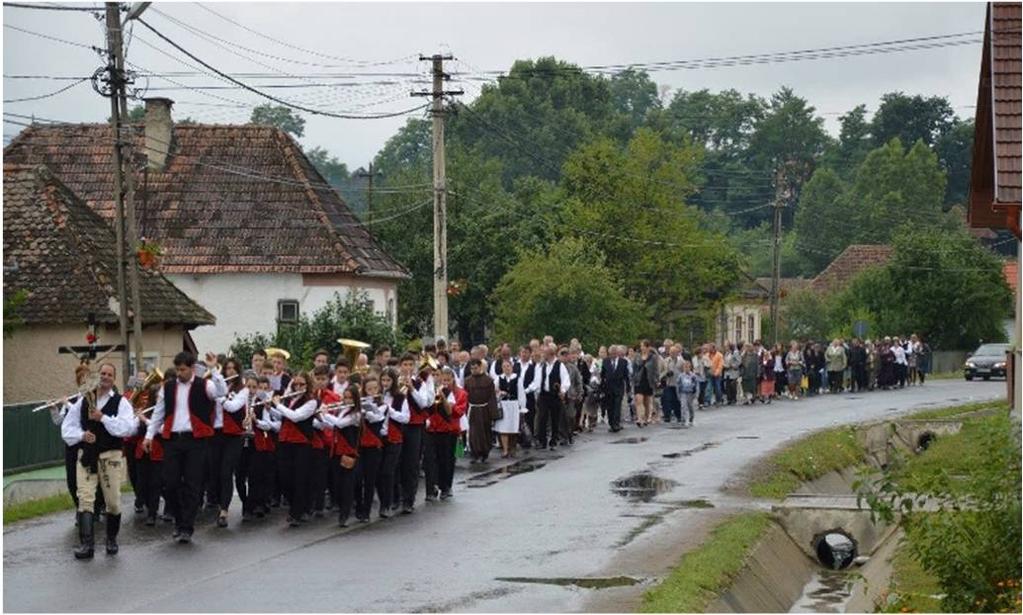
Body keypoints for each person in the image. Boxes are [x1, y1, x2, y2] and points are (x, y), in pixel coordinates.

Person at [144, 352, 226, 544]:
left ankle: (186, 527)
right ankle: (180, 521)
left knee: (192, 484)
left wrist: (213, 369)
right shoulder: (168, 387)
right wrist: (149, 435)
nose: (179, 373)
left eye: (183, 369)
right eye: (178, 369)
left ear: (191, 368)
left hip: (196, 440)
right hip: (172, 439)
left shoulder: (205, 385)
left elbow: (222, 392)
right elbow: (158, 413)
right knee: (169, 482)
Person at [62, 362, 138, 559]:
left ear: (114, 379)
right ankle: (87, 545)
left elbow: (127, 428)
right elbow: (67, 428)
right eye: (102, 373)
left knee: (112, 502)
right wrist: (81, 435)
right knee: (85, 499)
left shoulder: (121, 402)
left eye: (109, 375)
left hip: (110, 456)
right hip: (87, 455)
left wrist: (103, 418)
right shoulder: (83, 400)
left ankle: (111, 539)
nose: (105, 377)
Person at [270, 370, 318, 527]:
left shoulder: (312, 402)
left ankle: (296, 512)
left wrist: (278, 404)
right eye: (295, 384)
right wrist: (270, 407)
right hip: (285, 441)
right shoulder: (288, 400)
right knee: (285, 477)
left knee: (299, 478)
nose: (298, 387)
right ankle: (298, 507)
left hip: (301, 443)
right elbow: (282, 417)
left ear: (308, 385)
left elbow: (296, 416)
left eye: (301, 384)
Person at [211, 358, 247, 528]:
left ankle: (224, 510)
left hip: (233, 434)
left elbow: (234, 407)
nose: (230, 371)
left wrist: (221, 399)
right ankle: (219, 504)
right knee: (216, 471)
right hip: (216, 431)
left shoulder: (243, 389)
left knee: (226, 471)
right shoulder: (217, 385)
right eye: (227, 369)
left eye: (233, 368)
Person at [320, 383, 362, 527]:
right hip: (337, 450)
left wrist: (325, 413)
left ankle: (344, 515)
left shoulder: (356, 414)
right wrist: (321, 416)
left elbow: (341, 424)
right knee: (338, 483)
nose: (346, 401)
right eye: (345, 397)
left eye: (350, 398)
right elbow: (334, 426)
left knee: (347, 485)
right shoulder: (343, 410)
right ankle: (358, 508)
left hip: (349, 451)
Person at [397, 354, 434, 514]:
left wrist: (411, 389)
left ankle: (409, 500)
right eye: (404, 364)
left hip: (414, 426)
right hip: (397, 425)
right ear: (400, 366)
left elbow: (424, 403)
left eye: (410, 364)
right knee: (398, 462)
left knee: (411, 463)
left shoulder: (420, 383)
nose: (407, 368)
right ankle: (396, 497)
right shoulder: (394, 382)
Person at [425, 368, 466, 500]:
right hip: (432, 428)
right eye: (442, 379)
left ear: (453, 379)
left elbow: (457, 412)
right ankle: (432, 487)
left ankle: (446, 487)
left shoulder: (460, 393)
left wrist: (444, 399)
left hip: (450, 429)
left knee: (447, 460)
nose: (445, 382)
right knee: (431, 460)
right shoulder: (431, 390)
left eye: (448, 380)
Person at [353, 376, 387, 523]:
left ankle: (366, 511)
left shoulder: (383, 405)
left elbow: (376, 418)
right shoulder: (358, 404)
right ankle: (358, 507)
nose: (373, 392)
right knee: (357, 477)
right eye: (369, 389)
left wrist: (366, 410)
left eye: (375, 389)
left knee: (370, 479)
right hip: (359, 446)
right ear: (364, 391)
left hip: (374, 447)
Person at [376, 368, 409, 517]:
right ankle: (388, 498)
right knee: (379, 473)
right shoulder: (376, 396)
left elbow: (405, 418)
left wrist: (390, 410)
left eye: (388, 380)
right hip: (379, 437)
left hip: (394, 438)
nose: (385, 384)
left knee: (388, 472)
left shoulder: (400, 397)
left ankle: (386, 505)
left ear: (393, 381)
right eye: (383, 380)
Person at [527, 345, 570, 448]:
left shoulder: (560, 365)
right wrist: (527, 390)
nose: (542, 355)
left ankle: (553, 440)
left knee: (555, 418)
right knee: (542, 417)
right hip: (544, 395)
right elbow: (537, 381)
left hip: (555, 395)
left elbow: (565, 380)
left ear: (550, 354)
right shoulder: (541, 366)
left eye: (544, 353)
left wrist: (563, 390)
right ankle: (542, 441)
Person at [463, 358, 498, 463]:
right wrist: (464, 411)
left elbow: (492, 397)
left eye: (476, 368)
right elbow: (465, 397)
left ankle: (484, 453)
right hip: (472, 410)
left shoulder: (488, 380)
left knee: (484, 432)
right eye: (472, 368)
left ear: (480, 367)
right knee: (473, 433)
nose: (474, 370)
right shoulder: (467, 380)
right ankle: (474, 453)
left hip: (484, 410)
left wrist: (493, 413)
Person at [600, 345, 629, 432]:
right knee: (610, 406)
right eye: (611, 354)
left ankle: (616, 423)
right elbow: (603, 374)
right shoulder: (605, 361)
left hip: (619, 386)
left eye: (614, 353)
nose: (613, 355)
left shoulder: (623, 362)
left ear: (617, 353)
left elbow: (626, 376)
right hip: (608, 387)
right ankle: (611, 423)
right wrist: (601, 387)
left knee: (617, 405)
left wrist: (628, 387)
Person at [632, 340, 658, 427]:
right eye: (641, 346)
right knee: (639, 400)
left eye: (643, 346)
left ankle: (647, 417)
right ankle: (640, 418)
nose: (641, 348)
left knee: (646, 401)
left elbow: (655, 370)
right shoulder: (637, 356)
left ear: (648, 347)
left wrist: (656, 380)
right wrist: (633, 378)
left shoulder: (653, 357)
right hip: (639, 380)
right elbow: (634, 368)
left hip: (648, 381)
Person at [661, 345, 684, 422]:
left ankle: (679, 416)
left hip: (678, 384)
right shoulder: (666, 361)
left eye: (674, 352)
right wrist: (665, 375)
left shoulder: (681, 361)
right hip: (669, 383)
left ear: (677, 353)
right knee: (667, 399)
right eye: (671, 352)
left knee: (677, 401)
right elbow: (662, 371)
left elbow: (684, 372)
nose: (672, 354)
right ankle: (667, 416)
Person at [676, 361, 699, 427]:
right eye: (685, 367)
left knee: (690, 407)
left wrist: (696, 394)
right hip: (683, 393)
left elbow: (696, 385)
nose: (686, 369)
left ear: (690, 368)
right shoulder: (681, 376)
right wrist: (678, 393)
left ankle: (691, 419)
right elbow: (678, 385)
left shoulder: (693, 376)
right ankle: (683, 420)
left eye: (688, 367)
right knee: (683, 406)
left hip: (691, 393)